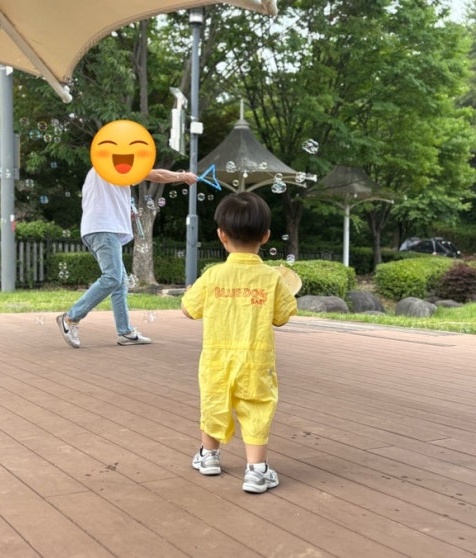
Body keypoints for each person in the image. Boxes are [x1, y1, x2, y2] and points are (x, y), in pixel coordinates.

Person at [181, 191, 298, 493]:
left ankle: (209, 456)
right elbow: (282, 317)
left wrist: (190, 293)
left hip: (216, 361)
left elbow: (189, 310)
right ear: (266, 236)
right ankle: (257, 471)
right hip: (256, 360)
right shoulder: (271, 278)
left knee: (214, 403)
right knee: (257, 407)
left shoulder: (213, 275)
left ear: (221, 235)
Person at [56, 166, 198, 348]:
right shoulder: (115, 165)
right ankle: (70, 318)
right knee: (112, 277)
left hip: (98, 229)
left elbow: (104, 200)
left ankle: (125, 332)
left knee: (120, 282)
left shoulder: (103, 170)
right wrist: (183, 176)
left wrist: (124, 213)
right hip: (104, 229)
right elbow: (156, 175)